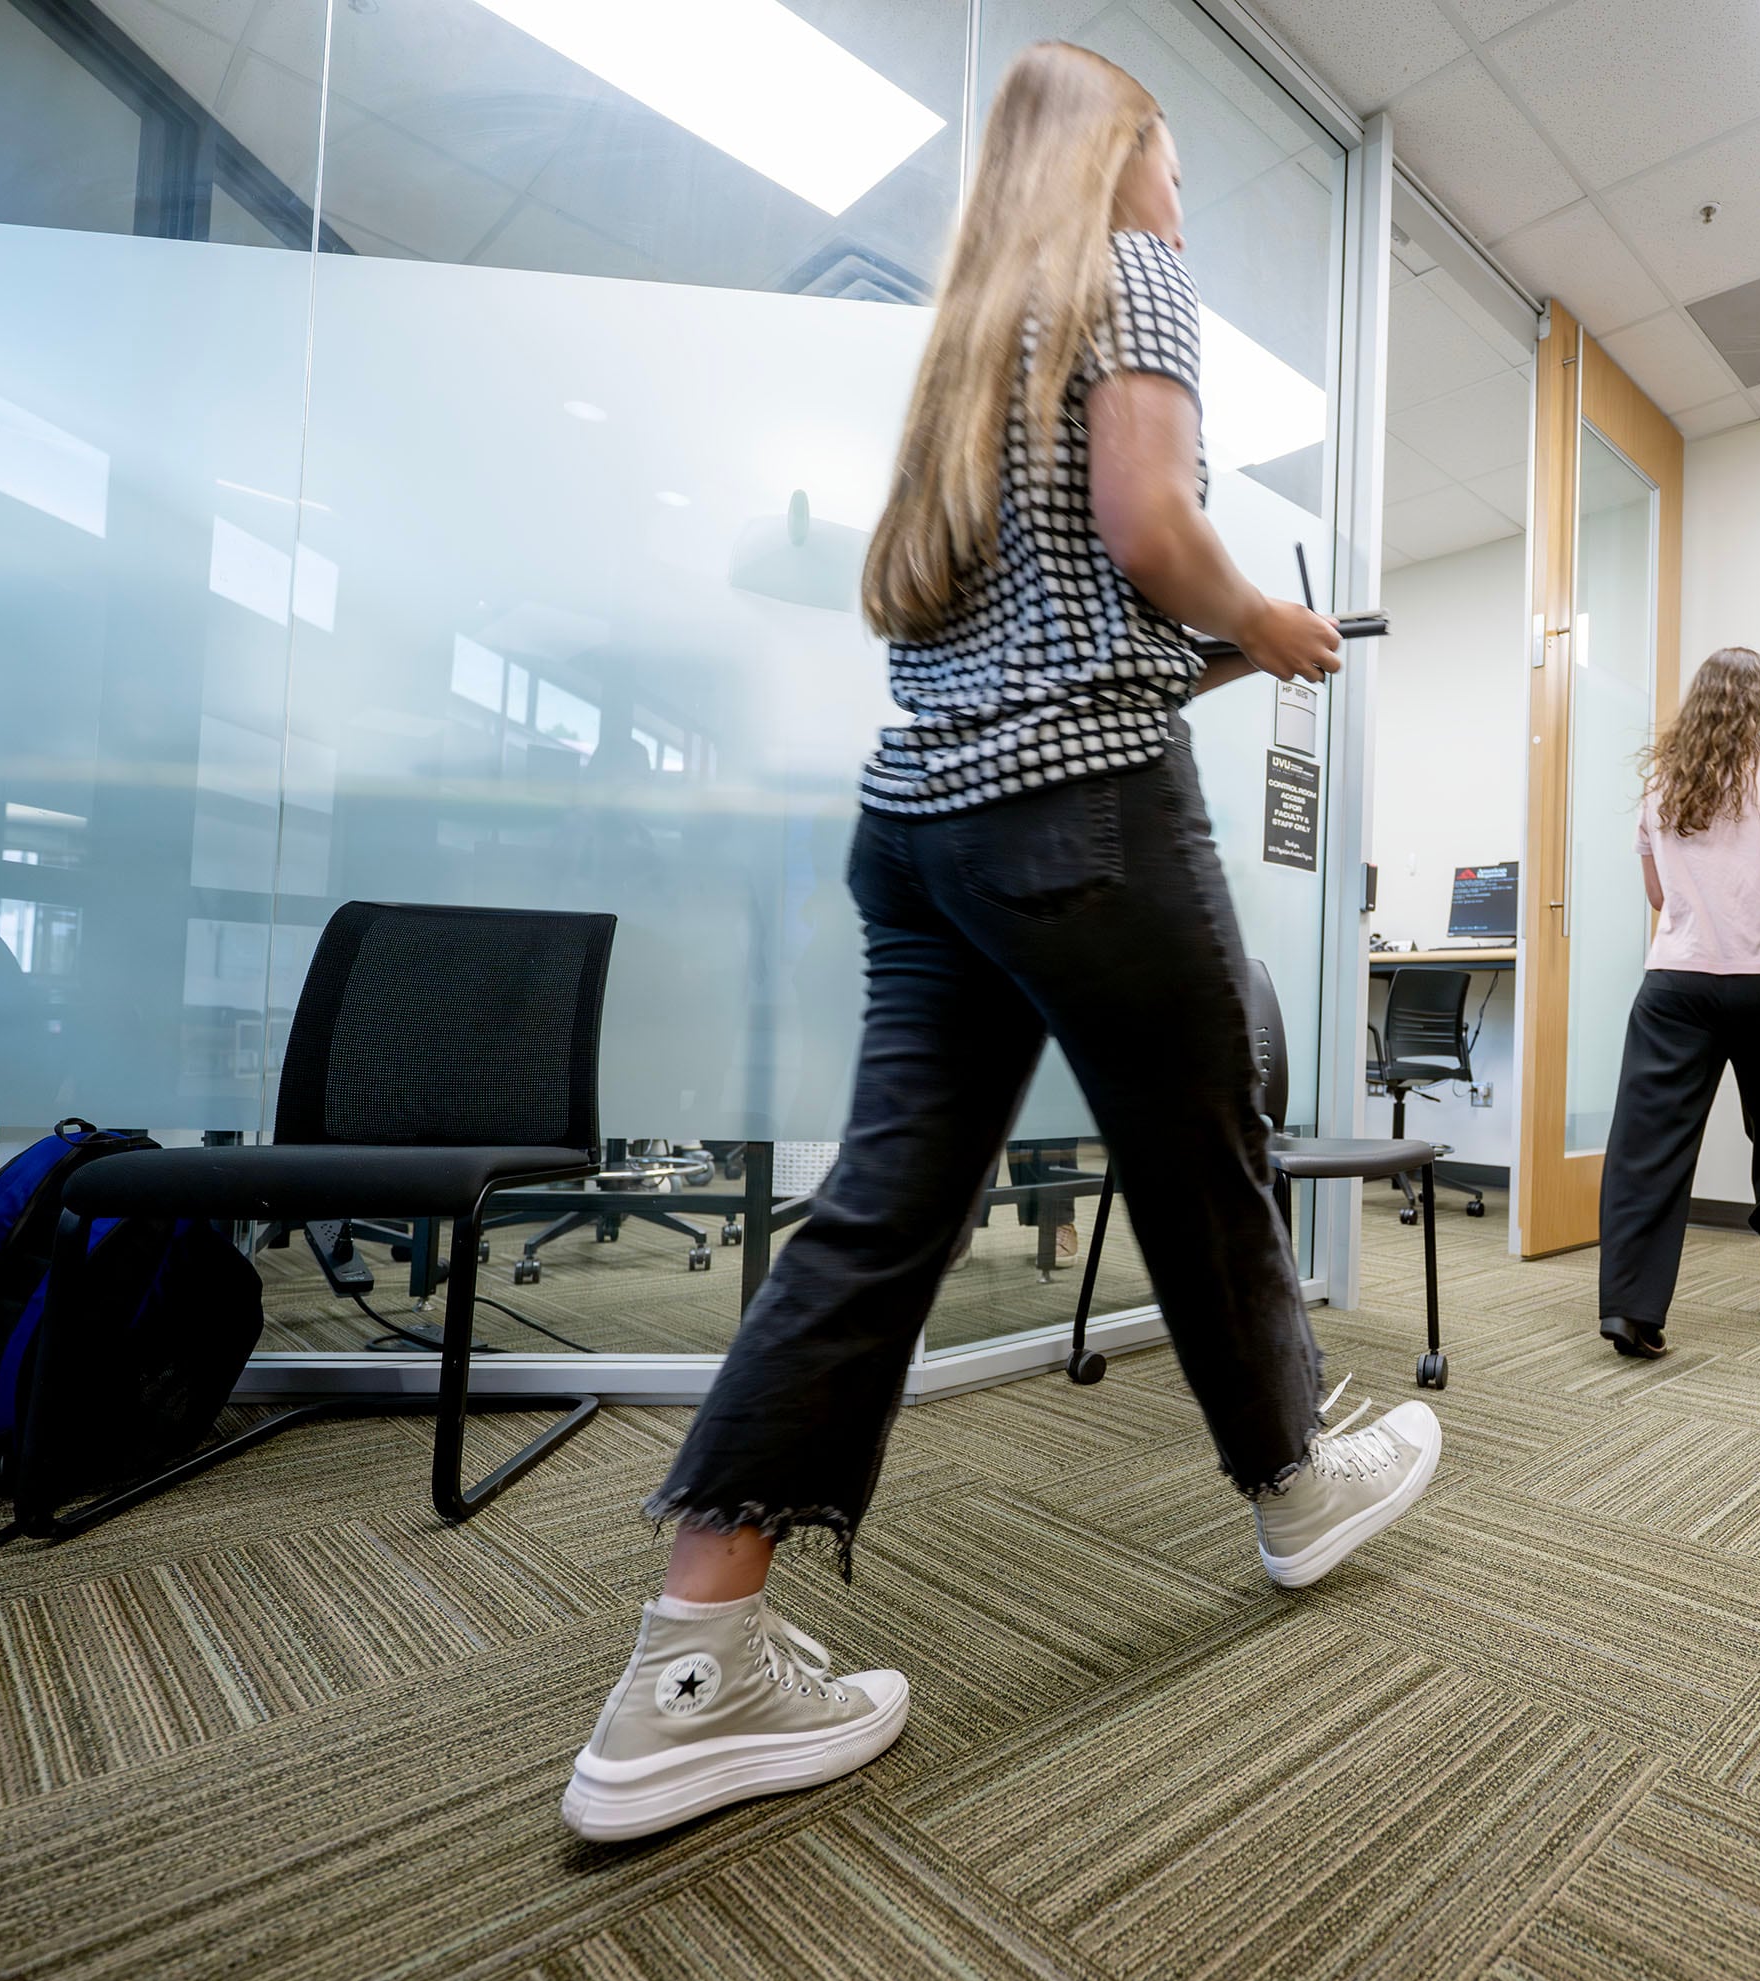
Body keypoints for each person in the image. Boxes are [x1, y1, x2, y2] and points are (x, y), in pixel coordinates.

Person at [560, 42, 1441, 1844]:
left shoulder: (968, 351)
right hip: (1083, 820)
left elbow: (1048, 630)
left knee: (880, 1212)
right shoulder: (1134, 276)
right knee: (1205, 1155)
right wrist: (1270, 618)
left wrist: (1226, 642)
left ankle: (689, 1665)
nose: (1182, 201)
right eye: (1174, 163)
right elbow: (1151, 530)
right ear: (1117, 158)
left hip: (922, 831)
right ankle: (1295, 1481)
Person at [1594, 646, 1760, 1358]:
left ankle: (1631, 1310)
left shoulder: (1662, 784)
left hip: (1676, 983)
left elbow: (1659, 897)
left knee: (1647, 1146)